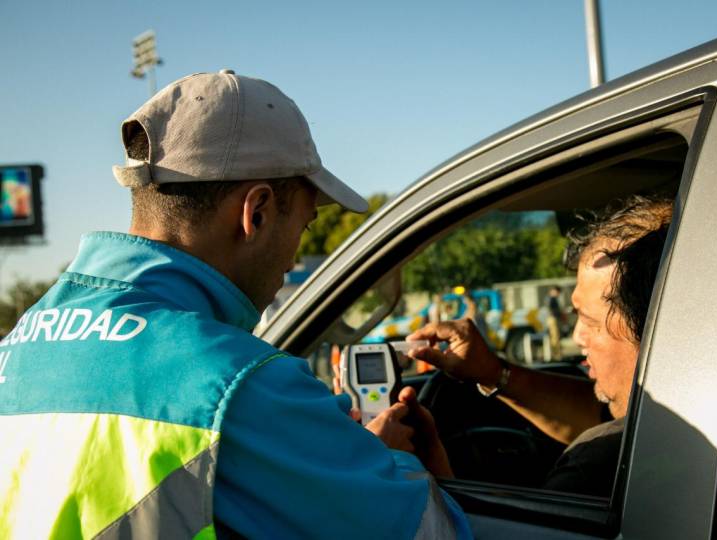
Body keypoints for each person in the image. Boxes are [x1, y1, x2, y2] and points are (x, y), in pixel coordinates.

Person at [0, 70, 470, 539]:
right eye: (303, 227)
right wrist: (381, 465)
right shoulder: (243, 381)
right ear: (257, 211)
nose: (293, 254)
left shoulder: (19, 345)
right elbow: (434, 532)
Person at [407, 195, 672, 497]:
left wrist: (426, 471)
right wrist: (493, 372)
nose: (577, 337)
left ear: (652, 326)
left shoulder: (598, 466)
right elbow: (598, 414)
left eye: (590, 320)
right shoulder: (684, 422)